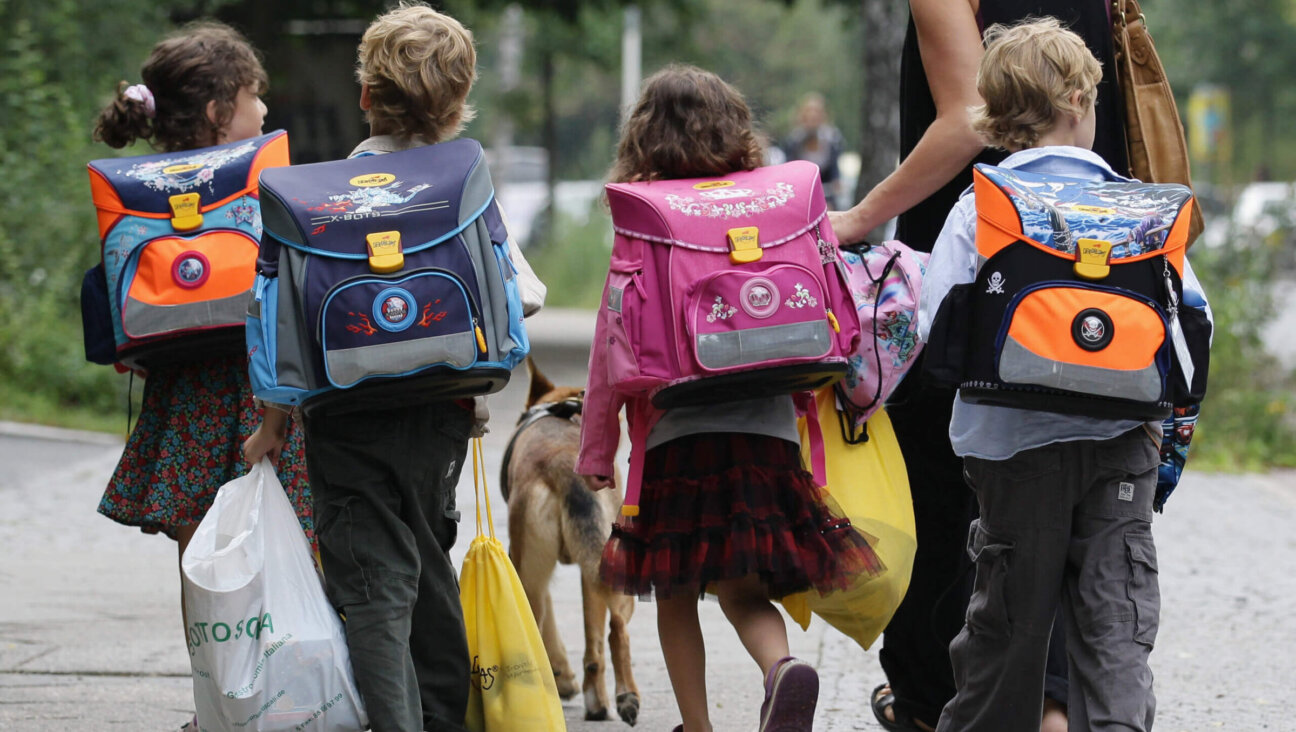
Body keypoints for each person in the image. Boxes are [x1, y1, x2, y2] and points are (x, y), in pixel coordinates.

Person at [830, 3, 1129, 730]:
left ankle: (934, 703)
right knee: (1085, 516)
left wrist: (859, 218)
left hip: (982, 263)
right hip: (1099, 264)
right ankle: (1061, 704)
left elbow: (968, 118)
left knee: (950, 496)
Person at [918, 18, 1208, 731]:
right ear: (1080, 98)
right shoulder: (1144, 211)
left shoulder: (979, 211)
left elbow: (934, 334)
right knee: (1115, 625)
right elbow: (1192, 329)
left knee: (1005, 629)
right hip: (1121, 445)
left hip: (1009, 450)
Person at [576, 64, 883, 732]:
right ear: (736, 128)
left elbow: (611, 345)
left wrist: (597, 449)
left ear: (644, 136)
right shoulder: (778, 201)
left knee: (676, 594)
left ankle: (699, 726)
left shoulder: (646, 213)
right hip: (767, 426)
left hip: (675, 435)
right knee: (746, 590)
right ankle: (782, 670)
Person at [242, 5, 507, 731]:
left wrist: (271, 425)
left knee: (373, 581)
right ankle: (445, 716)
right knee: (426, 557)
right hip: (442, 408)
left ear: (365, 96)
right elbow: (523, 292)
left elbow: (277, 322)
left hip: (344, 412)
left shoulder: (309, 197)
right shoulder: (463, 182)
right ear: (459, 104)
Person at [90, 22, 313, 732]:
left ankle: (215, 706)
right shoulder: (259, 182)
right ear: (221, 113)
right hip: (257, 386)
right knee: (288, 542)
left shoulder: (139, 193)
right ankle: (293, 692)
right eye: (254, 98)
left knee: (201, 557)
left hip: (183, 390)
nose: (264, 114)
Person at [780, 92, 847, 209]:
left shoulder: (832, 140)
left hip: (826, 193)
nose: (812, 116)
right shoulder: (793, 141)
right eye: (809, 112)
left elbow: (834, 172)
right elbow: (788, 171)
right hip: (801, 193)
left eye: (816, 112)